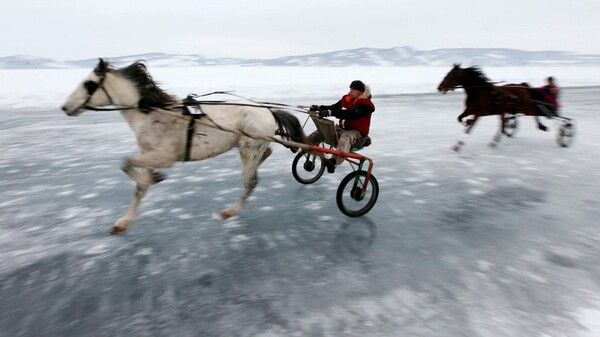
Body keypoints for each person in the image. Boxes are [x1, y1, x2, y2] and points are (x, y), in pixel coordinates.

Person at [308, 80, 375, 173]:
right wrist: (319, 108)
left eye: (353, 90)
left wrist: (330, 113)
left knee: (345, 137)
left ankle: (334, 161)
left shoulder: (366, 105)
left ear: (360, 92)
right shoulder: (347, 99)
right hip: (343, 129)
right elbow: (333, 107)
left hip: (357, 133)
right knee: (322, 130)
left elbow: (351, 114)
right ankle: (305, 144)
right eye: (350, 89)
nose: (350, 91)